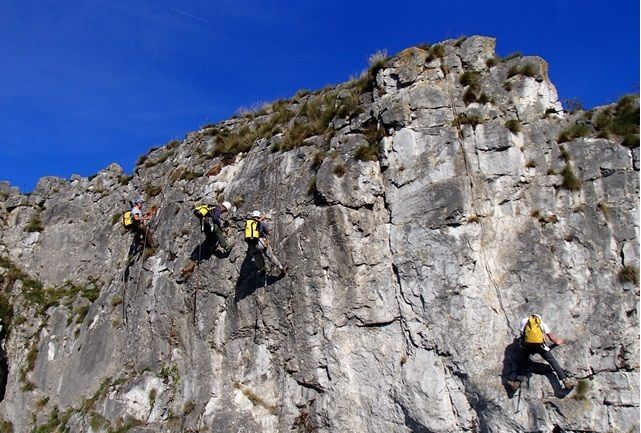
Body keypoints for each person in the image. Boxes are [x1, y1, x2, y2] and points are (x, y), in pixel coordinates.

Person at [507, 314, 576, 391]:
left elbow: (522, 334)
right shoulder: (541, 323)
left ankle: (517, 383)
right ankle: (565, 381)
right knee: (552, 362)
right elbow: (551, 338)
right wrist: (558, 342)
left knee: (524, 362)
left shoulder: (524, 321)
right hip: (540, 346)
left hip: (527, 346)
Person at [181, 201, 232, 277]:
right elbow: (215, 218)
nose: (224, 212)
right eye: (225, 210)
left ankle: (199, 256)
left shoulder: (212, 208)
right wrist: (220, 227)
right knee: (218, 232)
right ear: (224, 208)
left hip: (204, 225)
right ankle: (226, 247)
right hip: (208, 224)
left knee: (210, 239)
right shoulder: (217, 209)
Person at [245, 210, 287, 277]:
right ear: (258, 216)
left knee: (257, 257)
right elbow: (268, 232)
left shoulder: (248, 223)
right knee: (270, 256)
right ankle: (281, 268)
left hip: (252, 245)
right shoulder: (261, 223)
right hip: (261, 243)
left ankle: (262, 270)